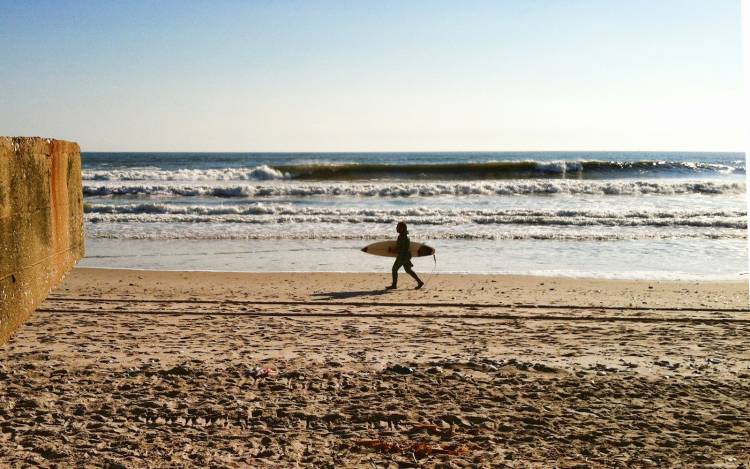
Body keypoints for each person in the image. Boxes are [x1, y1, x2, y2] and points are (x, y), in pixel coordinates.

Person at [386, 222, 424, 290]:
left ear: (402, 228)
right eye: (397, 227)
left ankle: (394, 285)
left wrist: (391, 250)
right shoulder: (403, 236)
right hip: (405, 256)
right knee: (408, 270)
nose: (396, 228)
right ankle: (420, 282)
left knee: (394, 269)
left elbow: (400, 249)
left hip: (402, 256)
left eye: (398, 227)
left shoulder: (402, 237)